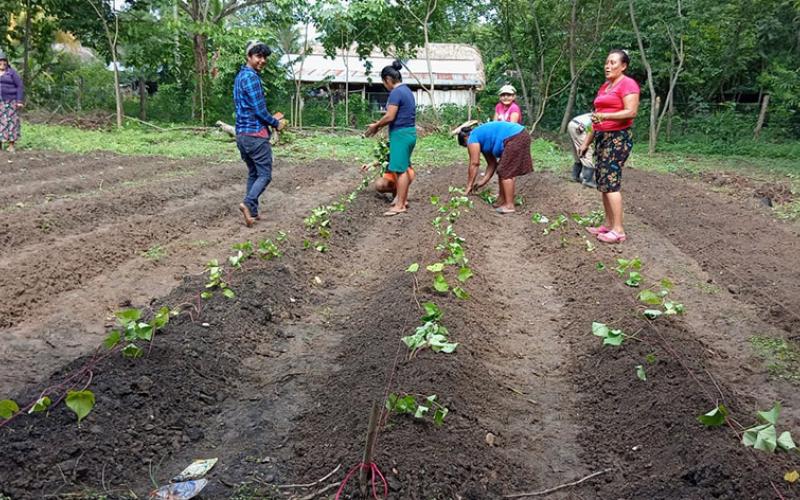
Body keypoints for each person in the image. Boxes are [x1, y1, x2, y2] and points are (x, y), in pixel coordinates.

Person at [579, 49, 639, 244]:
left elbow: (631, 112)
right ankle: (608, 224)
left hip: (617, 138)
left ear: (623, 66)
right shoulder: (605, 86)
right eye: (607, 62)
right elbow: (597, 117)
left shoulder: (628, 84)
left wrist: (606, 116)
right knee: (603, 183)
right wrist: (587, 142)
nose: (608, 66)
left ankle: (619, 230)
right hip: (602, 137)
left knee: (611, 183)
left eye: (613, 63)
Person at [233, 41, 285, 227]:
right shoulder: (252, 78)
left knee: (254, 173)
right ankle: (247, 203)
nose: (262, 60)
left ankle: (252, 212)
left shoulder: (240, 77)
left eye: (265, 57)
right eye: (258, 56)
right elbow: (259, 110)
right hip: (255, 134)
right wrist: (276, 123)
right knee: (265, 174)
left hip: (242, 135)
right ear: (249, 57)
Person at [365, 60, 416, 216]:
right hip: (409, 133)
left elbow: (390, 116)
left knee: (400, 171)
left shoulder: (396, 92)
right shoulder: (407, 90)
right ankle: (402, 200)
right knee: (404, 168)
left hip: (400, 134)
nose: (385, 86)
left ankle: (400, 205)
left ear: (387, 79)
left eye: (384, 83)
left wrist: (376, 126)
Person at [455, 120, 533, 214]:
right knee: (502, 168)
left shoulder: (472, 137)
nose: (469, 148)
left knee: (506, 172)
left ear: (466, 138)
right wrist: (482, 182)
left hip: (515, 137)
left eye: (466, 146)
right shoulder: (482, 140)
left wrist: (468, 186)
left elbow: (474, 163)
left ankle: (509, 205)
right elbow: (492, 164)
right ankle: (501, 200)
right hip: (519, 135)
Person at [0, 50, 24, 153]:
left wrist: (19, 100)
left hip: (10, 101)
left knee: (11, 122)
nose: (2, 63)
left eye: (4, 61)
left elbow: (19, 86)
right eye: (0, 61)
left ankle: (11, 145)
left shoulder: (11, 72)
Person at [567, 113, 596, 187]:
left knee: (578, 151)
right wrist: (586, 144)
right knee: (587, 150)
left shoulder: (597, 113)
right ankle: (588, 180)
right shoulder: (604, 116)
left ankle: (575, 175)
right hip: (580, 126)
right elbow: (592, 129)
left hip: (572, 123)